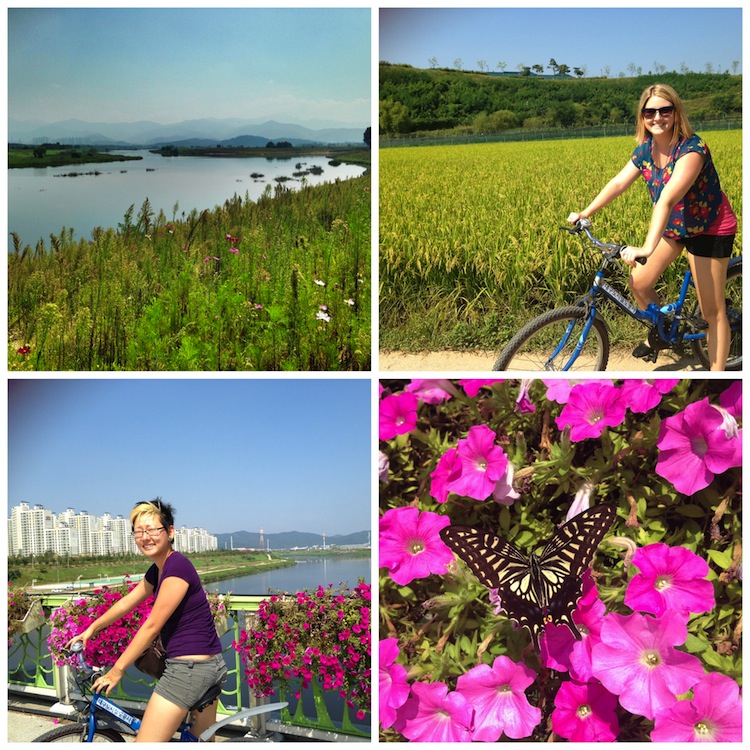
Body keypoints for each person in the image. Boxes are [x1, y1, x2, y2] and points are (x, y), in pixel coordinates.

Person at [568, 83, 737, 370]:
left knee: (711, 310)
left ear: (676, 112)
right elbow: (619, 183)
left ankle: (717, 375)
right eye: (650, 112)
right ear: (642, 116)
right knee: (640, 282)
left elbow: (667, 200)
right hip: (675, 227)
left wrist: (646, 247)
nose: (657, 118)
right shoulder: (646, 150)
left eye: (664, 110)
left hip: (708, 227)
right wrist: (586, 212)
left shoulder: (692, 149)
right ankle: (664, 330)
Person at [67, 499, 227, 742]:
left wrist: (116, 671)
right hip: (210, 665)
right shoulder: (159, 569)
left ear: (170, 532)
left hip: (189, 671)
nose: (146, 537)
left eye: (153, 529)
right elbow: (125, 603)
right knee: (201, 742)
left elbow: (152, 625)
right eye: (139, 531)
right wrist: (91, 629)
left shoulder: (177, 567)